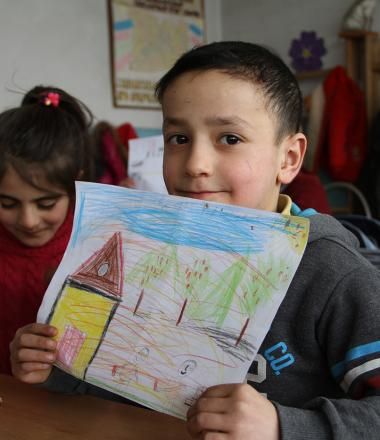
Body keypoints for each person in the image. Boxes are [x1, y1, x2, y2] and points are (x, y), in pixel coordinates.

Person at [10, 42, 380, 440]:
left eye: (230, 138)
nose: (195, 165)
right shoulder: (150, 254)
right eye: (179, 138)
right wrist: (56, 369)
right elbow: (129, 387)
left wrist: (281, 426)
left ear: (289, 158)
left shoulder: (331, 269)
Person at [0, 85, 94, 374]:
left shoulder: (93, 245)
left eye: (46, 203)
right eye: (7, 203)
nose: (28, 220)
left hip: (70, 407)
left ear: (75, 184)